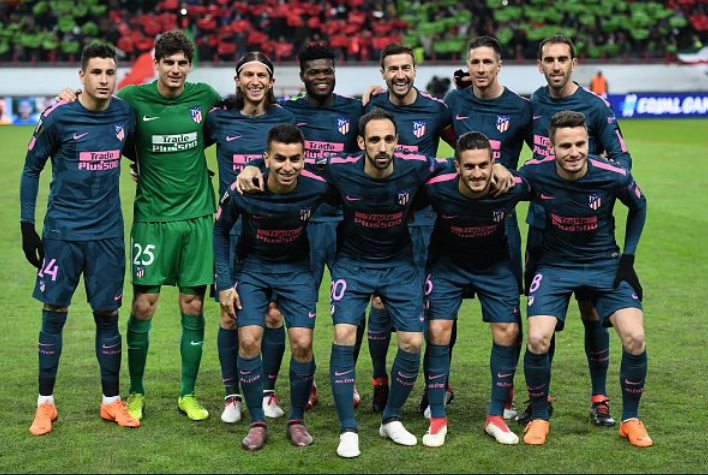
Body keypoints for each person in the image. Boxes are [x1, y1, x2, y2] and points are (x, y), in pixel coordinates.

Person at [20, 43, 139, 435]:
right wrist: (27, 225)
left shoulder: (125, 113)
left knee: (108, 316)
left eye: (110, 72)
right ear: (81, 75)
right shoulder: (58, 115)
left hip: (107, 235)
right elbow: (31, 169)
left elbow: (139, 152)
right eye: (96, 72)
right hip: (63, 234)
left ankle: (111, 402)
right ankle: (45, 405)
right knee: (53, 313)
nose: (104, 79)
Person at [519, 34, 634, 427]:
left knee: (592, 313)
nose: (556, 66)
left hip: (587, 230)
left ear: (574, 63)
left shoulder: (595, 106)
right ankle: (542, 398)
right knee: (542, 317)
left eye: (562, 59)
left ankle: (599, 397)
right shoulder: (532, 103)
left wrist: (593, 174)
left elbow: (622, 159)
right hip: (542, 226)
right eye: (549, 60)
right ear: (540, 64)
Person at [519, 110, 651, 448]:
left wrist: (628, 259)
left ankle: (630, 420)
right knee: (538, 338)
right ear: (551, 147)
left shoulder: (612, 174)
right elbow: (506, 194)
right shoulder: (534, 172)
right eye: (565, 146)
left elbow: (639, 206)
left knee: (635, 337)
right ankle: (539, 416)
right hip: (555, 266)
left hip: (604, 263)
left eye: (580, 144)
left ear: (589, 143)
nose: (574, 152)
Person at [116, 30, 223, 422]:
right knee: (143, 304)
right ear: (156, 63)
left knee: (192, 304)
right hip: (152, 218)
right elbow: (106, 121)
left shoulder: (205, 97)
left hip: (197, 217)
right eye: (169, 62)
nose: (176, 69)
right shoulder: (132, 98)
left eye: (182, 63)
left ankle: (187, 393)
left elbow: (226, 127)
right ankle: (136, 391)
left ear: (189, 66)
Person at [432, 35, 533, 421]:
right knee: (445, 312)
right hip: (455, 219)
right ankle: (439, 387)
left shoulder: (520, 108)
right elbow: (428, 131)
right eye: (474, 62)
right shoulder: (454, 101)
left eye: (487, 62)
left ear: (499, 65)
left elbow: (541, 157)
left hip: (500, 220)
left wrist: (512, 171)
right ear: (467, 65)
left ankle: (505, 396)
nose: (480, 68)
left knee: (508, 315)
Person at [214, 124, 333, 450]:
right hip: (253, 269)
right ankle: (257, 422)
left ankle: (296, 419)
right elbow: (220, 230)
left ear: (304, 158)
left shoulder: (318, 186)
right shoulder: (244, 188)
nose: (287, 167)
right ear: (266, 158)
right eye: (279, 158)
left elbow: (354, 182)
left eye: (295, 159)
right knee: (249, 340)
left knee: (303, 343)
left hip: (296, 271)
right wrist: (224, 283)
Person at [417, 131, 529, 447]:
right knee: (438, 330)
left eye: (483, 165)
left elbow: (548, 185)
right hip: (447, 266)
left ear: (493, 164)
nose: (477, 173)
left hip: (495, 266)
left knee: (508, 331)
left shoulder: (511, 186)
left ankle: (496, 416)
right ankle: (437, 418)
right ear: (457, 167)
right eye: (469, 166)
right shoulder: (436, 188)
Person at [362, 42, 454, 414]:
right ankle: (379, 380)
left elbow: (464, 148)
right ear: (382, 73)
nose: (400, 75)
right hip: (383, 221)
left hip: (428, 221)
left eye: (406, 68)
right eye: (392, 69)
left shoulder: (436, 110)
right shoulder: (371, 108)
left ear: (415, 70)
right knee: (380, 301)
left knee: (435, 305)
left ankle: (438, 386)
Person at [206, 52, 295, 424]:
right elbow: (184, 153)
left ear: (271, 82)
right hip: (231, 233)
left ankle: (268, 391)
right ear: (237, 81)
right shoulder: (218, 119)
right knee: (229, 315)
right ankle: (232, 396)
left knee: (273, 316)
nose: (255, 81)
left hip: (273, 234)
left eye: (262, 75)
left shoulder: (286, 120)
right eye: (249, 75)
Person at [280, 42, 365, 410]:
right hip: (304, 223)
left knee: (353, 305)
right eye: (313, 72)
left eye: (327, 70)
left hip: (347, 221)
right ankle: (309, 375)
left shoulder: (354, 110)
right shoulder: (288, 112)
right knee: (302, 303)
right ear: (302, 76)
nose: (321, 77)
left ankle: (348, 374)